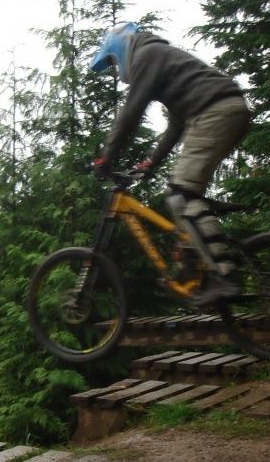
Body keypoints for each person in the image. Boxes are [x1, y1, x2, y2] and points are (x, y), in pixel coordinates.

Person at [90, 22, 250, 306]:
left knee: (180, 195)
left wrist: (107, 156)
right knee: (182, 194)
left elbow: (130, 113)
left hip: (216, 112)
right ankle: (200, 254)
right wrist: (151, 162)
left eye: (112, 62)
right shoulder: (161, 59)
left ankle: (225, 275)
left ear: (120, 47)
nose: (116, 70)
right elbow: (176, 124)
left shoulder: (147, 55)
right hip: (225, 110)